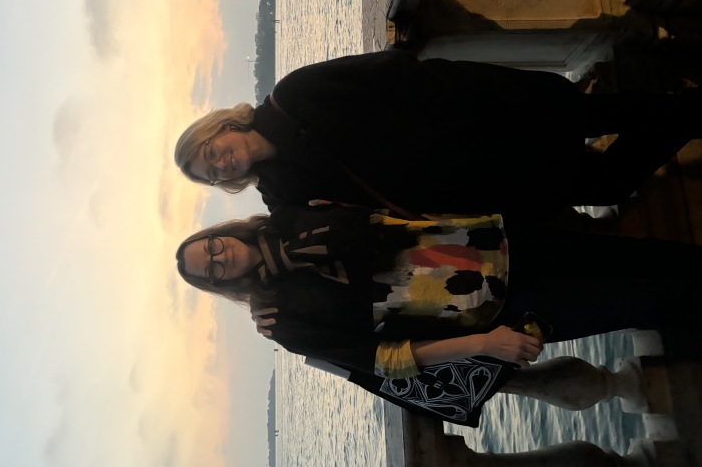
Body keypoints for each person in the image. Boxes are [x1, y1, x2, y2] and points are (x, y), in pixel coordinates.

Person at [175, 202, 702, 425]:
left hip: (490, 241)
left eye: (213, 248)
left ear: (222, 233)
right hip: (489, 308)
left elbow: (375, 216)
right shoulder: (282, 320)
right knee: (638, 302)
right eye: (212, 270)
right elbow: (386, 359)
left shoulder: (286, 217)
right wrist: (485, 344)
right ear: (220, 285)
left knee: (633, 255)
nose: (221, 258)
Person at [175, 49, 701, 222]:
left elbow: (399, 71)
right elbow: (297, 248)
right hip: (475, 185)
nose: (221, 165)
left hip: (487, 118)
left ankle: (687, 110)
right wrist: (260, 299)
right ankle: (688, 112)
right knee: (606, 184)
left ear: (221, 127)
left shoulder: (296, 93)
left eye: (210, 153)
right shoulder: (282, 196)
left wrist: (490, 92)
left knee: (600, 116)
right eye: (211, 174)